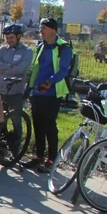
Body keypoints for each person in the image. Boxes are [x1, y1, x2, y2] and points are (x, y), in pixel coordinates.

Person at [22, 18, 72, 173]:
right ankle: (39, 157)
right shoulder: (42, 46)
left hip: (52, 93)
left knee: (49, 125)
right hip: (38, 92)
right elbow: (36, 69)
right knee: (38, 124)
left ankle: (51, 159)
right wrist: (29, 87)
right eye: (40, 28)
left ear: (53, 30)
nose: (40, 31)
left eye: (43, 28)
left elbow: (63, 71)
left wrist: (48, 83)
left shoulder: (63, 48)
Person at [0, 23, 33, 154]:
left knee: (16, 121)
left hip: (15, 91)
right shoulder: (2, 50)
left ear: (19, 37)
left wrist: (5, 68)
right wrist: (11, 67)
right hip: (1, 89)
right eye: (7, 38)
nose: (9, 41)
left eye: (11, 38)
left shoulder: (27, 51)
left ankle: (15, 150)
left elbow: (22, 69)